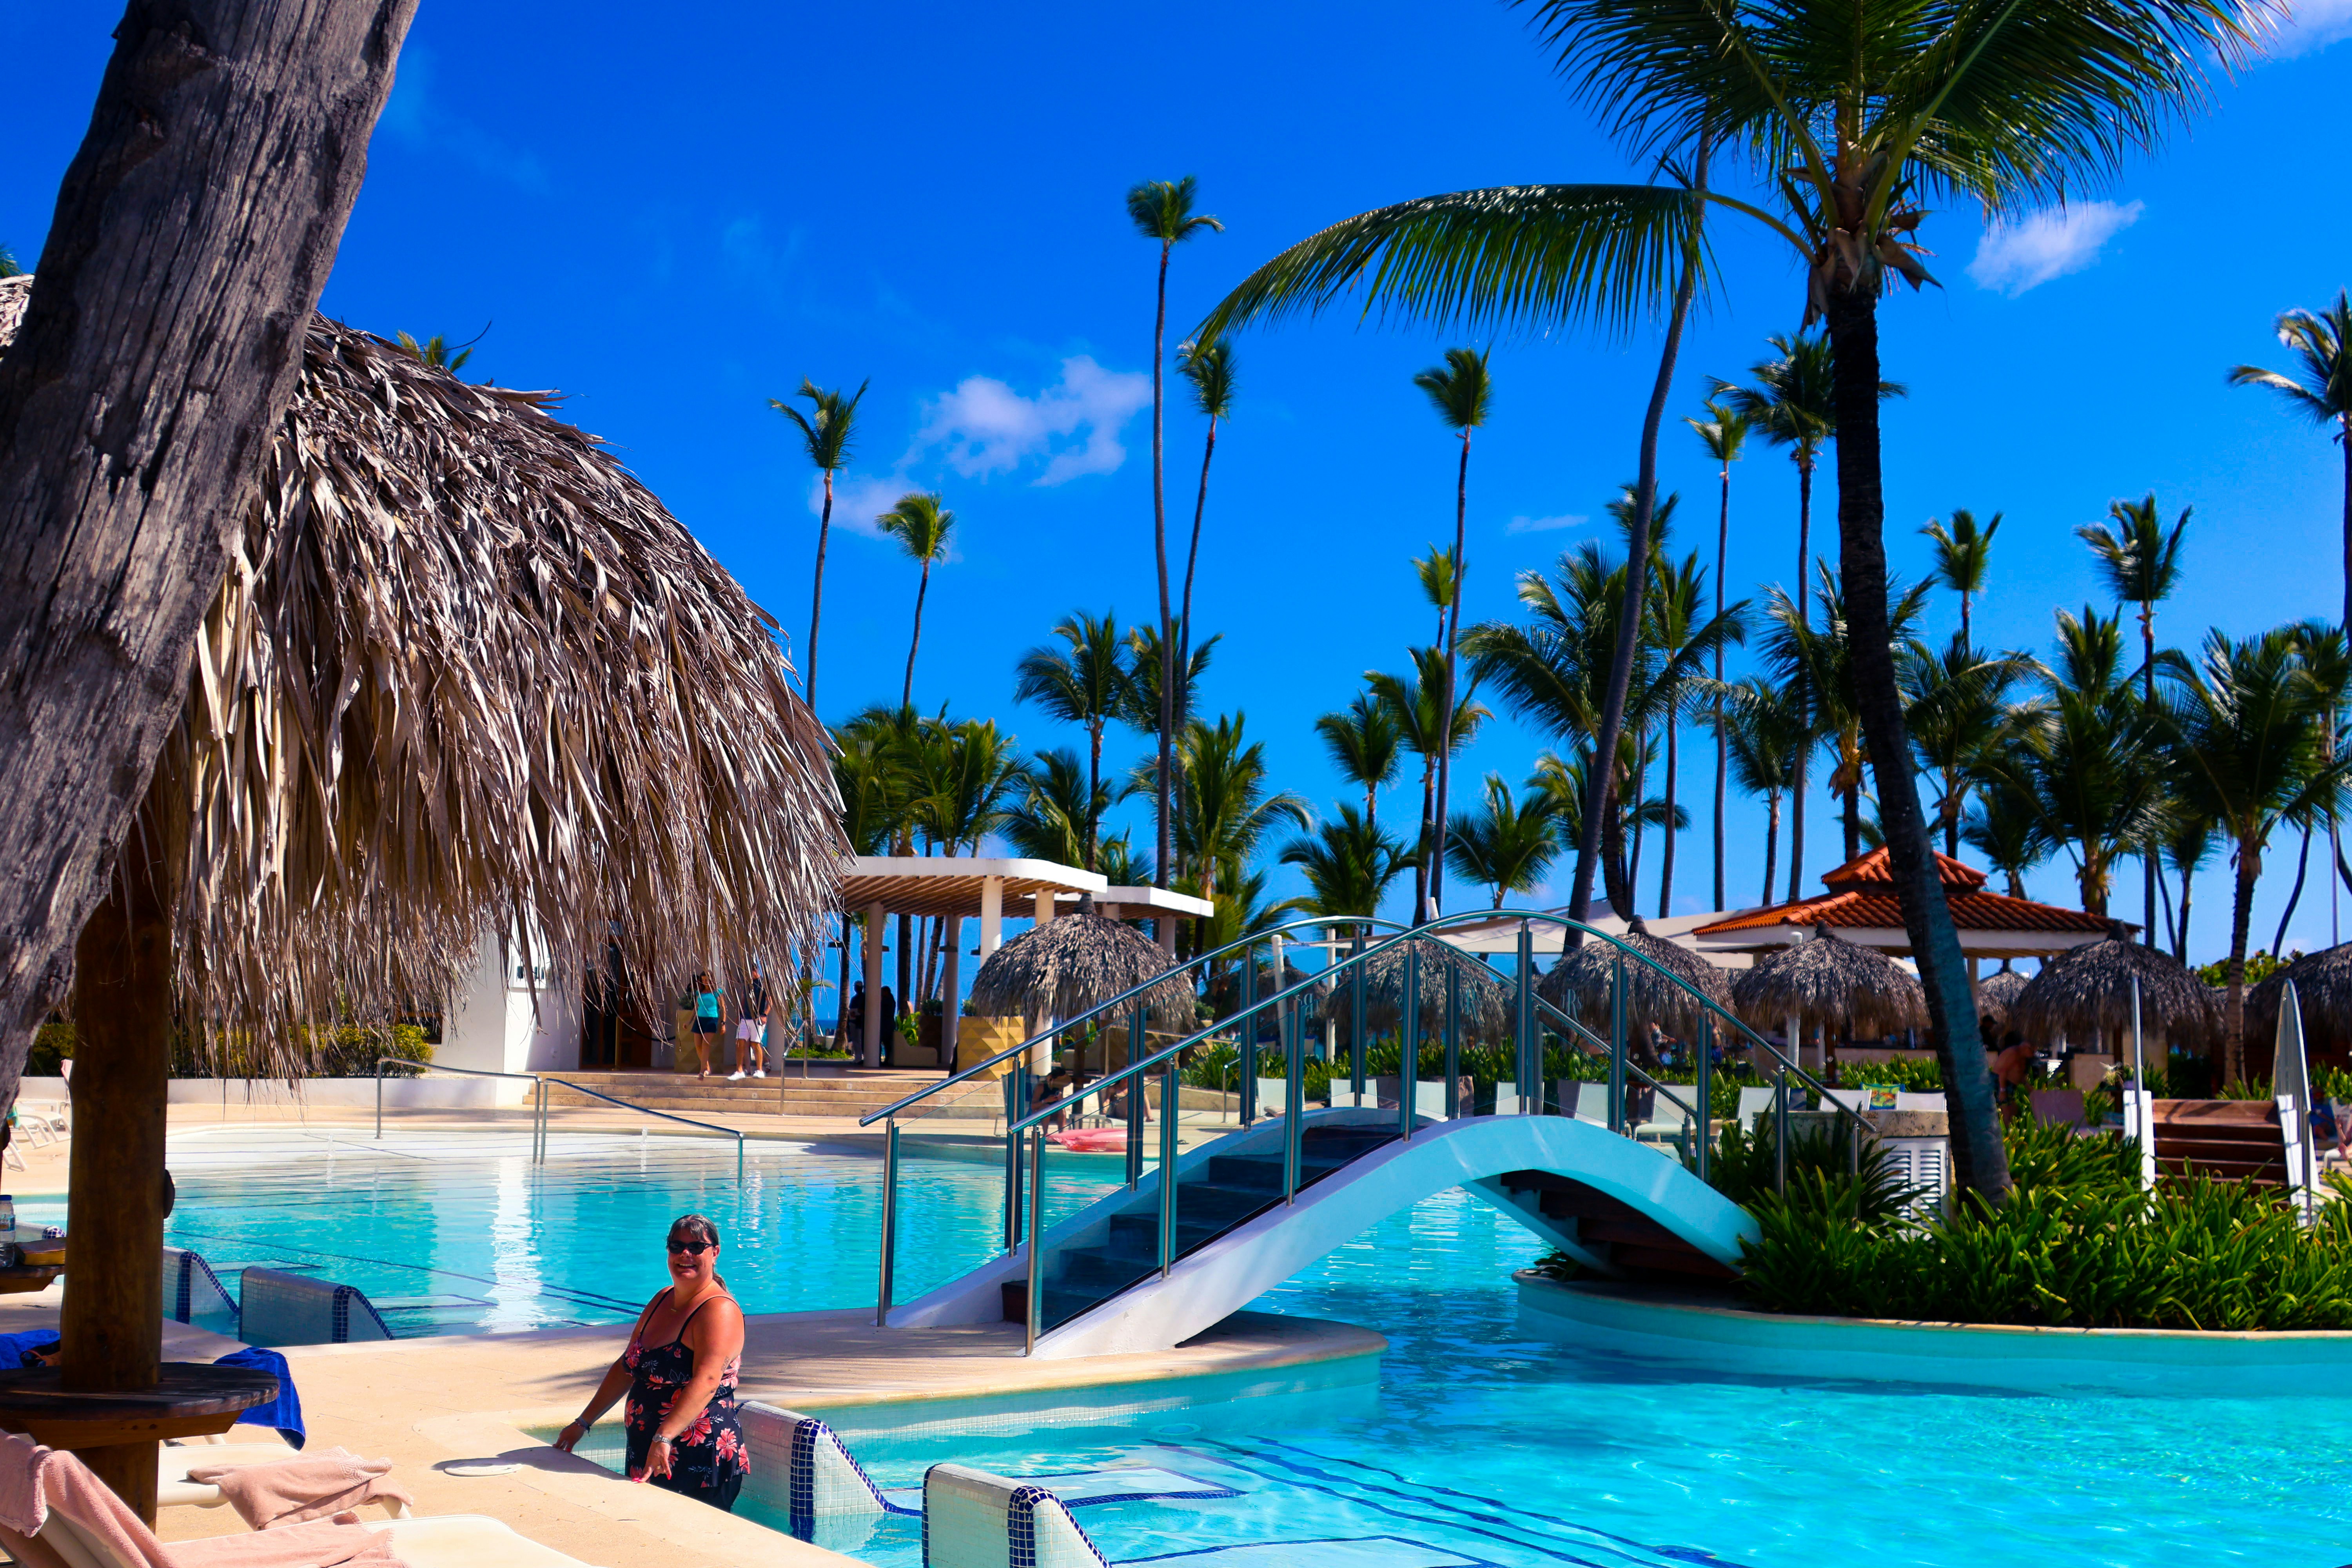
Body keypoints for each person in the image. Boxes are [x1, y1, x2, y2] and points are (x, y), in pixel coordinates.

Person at [555, 1214, 747, 1512]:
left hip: (697, 1455)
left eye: (697, 1247)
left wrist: (664, 1437)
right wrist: (583, 1423)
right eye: (677, 1246)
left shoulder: (719, 1310)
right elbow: (627, 1366)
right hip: (651, 1449)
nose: (686, 1254)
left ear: (715, 1253)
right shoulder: (662, 1299)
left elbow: (707, 1382)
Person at [730, 962, 769, 1082]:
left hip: (758, 1018)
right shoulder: (747, 984)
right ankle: (739, 1071)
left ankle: (760, 1070)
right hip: (745, 1018)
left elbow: (770, 1001)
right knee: (740, 1042)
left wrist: (765, 1015)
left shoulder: (763, 984)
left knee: (755, 1044)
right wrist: (739, 1014)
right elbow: (743, 999)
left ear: (755, 970)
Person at [688, 972, 724, 1079]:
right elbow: (696, 1007)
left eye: (707, 980)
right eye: (703, 980)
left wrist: (724, 1023)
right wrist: (689, 1022)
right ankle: (707, 1067)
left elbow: (723, 1007)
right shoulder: (699, 992)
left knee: (705, 1044)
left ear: (711, 980)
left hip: (712, 1019)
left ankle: (702, 1070)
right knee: (698, 1045)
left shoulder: (717, 992)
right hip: (700, 1019)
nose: (705, 982)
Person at [1992, 1031, 2036, 1103]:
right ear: (2026, 1048)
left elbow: (2020, 1074)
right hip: (2001, 1083)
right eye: (2032, 1051)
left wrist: (2028, 1086)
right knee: (2007, 1108)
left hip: (2010, 1086)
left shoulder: (2023, 1057)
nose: (2033, 1054)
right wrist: (2003, 1090)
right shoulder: (2014, 1053)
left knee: (2013, 1108)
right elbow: (2003, 1071)